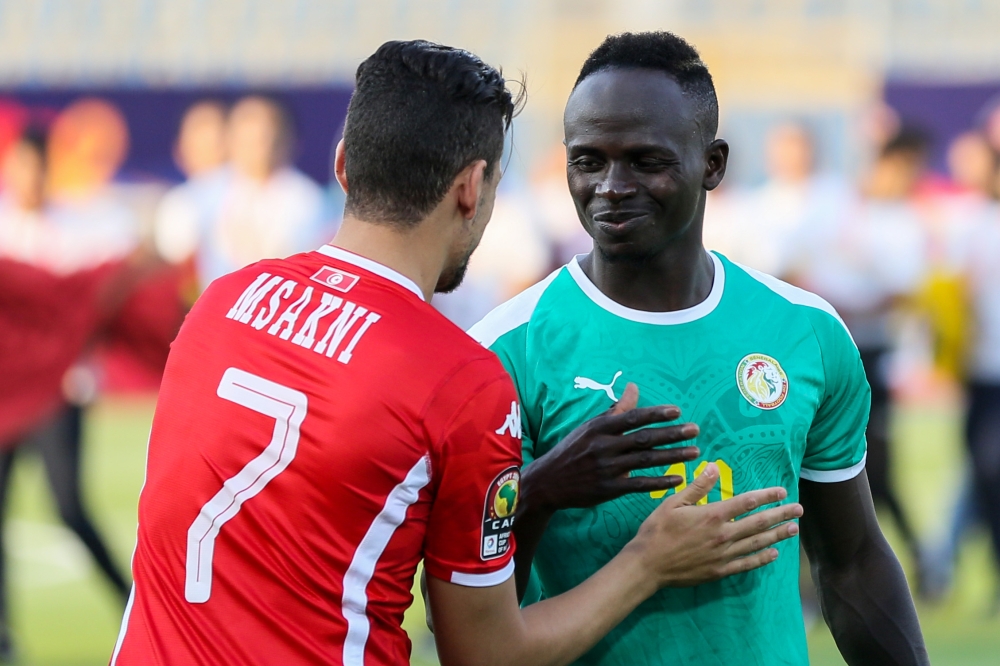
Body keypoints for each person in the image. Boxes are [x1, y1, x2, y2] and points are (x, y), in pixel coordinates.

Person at [110, 40, 802, 665]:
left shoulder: (221, 302)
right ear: (472, 187)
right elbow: (488, 653)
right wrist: (648, 562)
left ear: (344, 164)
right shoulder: (461, 381)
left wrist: (540, 487)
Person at [469, 32, 927, 665]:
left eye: (645, 161)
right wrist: (543, 488)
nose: (611, 186)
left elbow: (851, 563)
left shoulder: (805, 333)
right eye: (589, 160)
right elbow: (471, 627)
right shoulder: (504, 350)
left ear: (713, 164)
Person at [0, 127, 132, 662]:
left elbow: (88, 309)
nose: (29, 179)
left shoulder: (71, 235)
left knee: (71, 507)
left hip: (56, 394)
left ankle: (133, 606)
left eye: (37, 168)